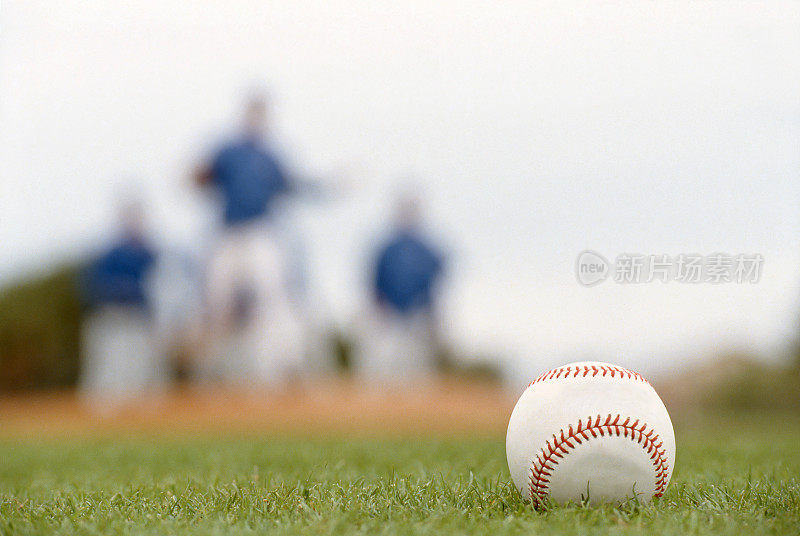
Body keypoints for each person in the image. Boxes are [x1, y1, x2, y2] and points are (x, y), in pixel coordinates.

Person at [193, 93, 312, 387]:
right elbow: (199, 179)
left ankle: (279, 369)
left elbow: (296, 185)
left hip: (261, 233)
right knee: (217, 300)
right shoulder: (227, 150)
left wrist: (331, 185)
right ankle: (208, 376)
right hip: (229, 232)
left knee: (272, 298)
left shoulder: (271, 156)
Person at [79, 199, 164, 411]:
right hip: (112, 315)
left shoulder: (149, 253)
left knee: (140, 365)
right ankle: (104, 408)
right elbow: (92, 285)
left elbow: (160, 287)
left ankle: (139, 409)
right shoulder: (110, 253)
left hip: (139, 317)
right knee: (109, 364)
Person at [356, 193, 445, 381]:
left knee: (416, 367)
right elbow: (376, 280)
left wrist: (429, 312)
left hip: (417, 314)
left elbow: (433, 282)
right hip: (388, 315)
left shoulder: (426, 249)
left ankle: (417, 407)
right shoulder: (388, 247)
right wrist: (378, 310)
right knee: (382, 364)